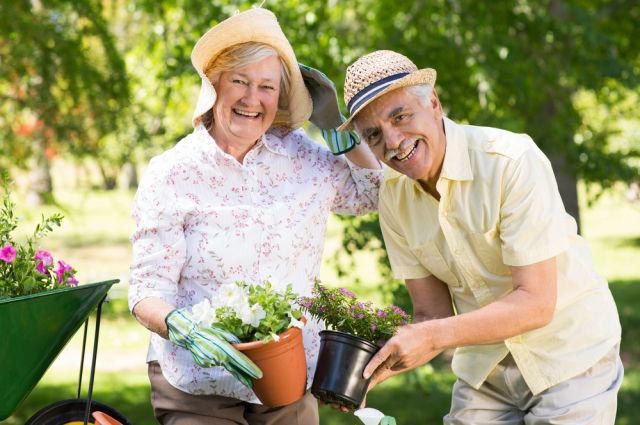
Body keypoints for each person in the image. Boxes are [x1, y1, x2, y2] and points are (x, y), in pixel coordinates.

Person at [337, 50, 623, 424]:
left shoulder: (510, 161)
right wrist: (373, 367)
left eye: (400, 116)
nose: (392, 141)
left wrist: (434, 336)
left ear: (434, 104)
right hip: (485, 370)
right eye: (373, 134)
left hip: (568, 355)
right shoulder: (394, 197)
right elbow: (432, 315)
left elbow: (536, 302)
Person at [128, 8, 382, 425]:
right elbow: (146, 291)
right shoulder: (172, 173)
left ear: (280, 97)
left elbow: (373, 194)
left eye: (266, 86)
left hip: (286, 378)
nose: (252, 99)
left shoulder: (304, 158)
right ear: (214, 86)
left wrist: (337, 127)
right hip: (197, 381)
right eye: (240, 82)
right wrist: (182, 328)